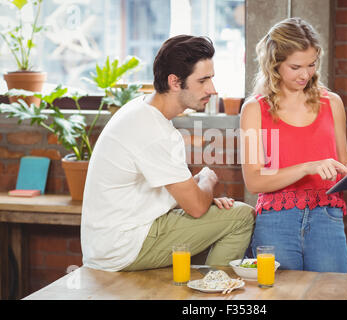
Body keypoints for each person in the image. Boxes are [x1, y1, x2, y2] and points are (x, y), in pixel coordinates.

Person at [81, 35, 255, 272]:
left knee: (218, 211)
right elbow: (196, 207)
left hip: (110, 242)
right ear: (175, 82)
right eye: (203, 80)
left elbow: (179, 194)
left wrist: (198, 192)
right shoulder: (153, 129)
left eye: (211, 79)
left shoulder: (140, 110)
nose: (212, 89)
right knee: (241, 217)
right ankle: (214, 291)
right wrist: (206, 179)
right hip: (123, 247)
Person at [240, 18, 347, 273]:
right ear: (275, 64)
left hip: (327, 218)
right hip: (276, 221)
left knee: (331, 293)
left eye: (312, 64)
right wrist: (308, 167)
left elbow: (341, 166)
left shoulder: (333, 103)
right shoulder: (254, 109)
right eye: (295, 66)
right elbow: (254, 181)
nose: (305, 74)